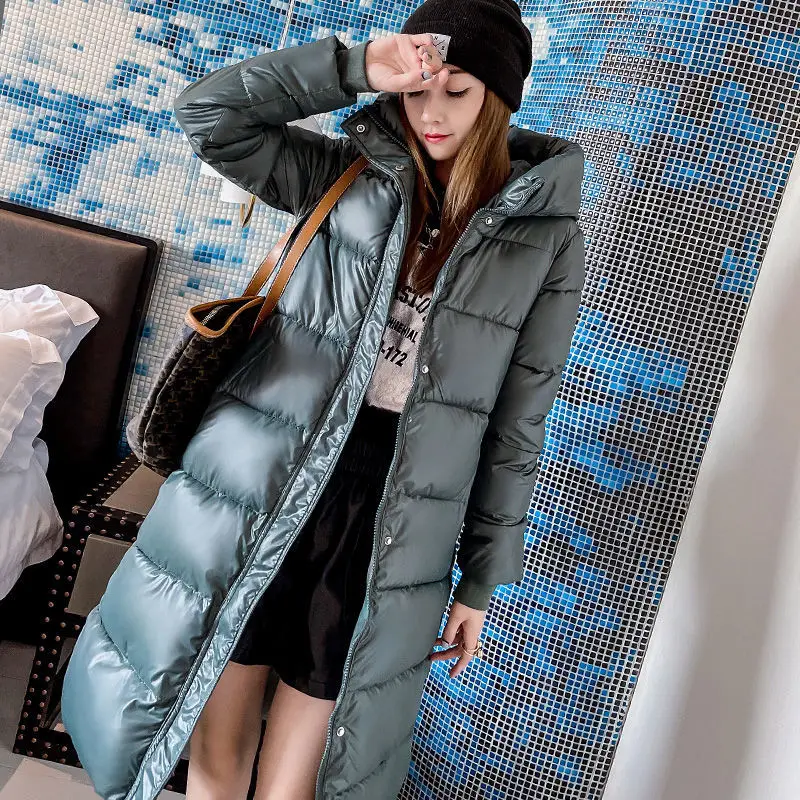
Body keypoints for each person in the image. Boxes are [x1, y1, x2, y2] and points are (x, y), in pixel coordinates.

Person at [60, 0, 585, 798]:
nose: (432, 112)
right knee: (217, 735)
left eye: (458, 91)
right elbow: (208, 113)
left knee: (300, 767)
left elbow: (519, 421)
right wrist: (356, 66)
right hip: (264, 473)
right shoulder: (344, 174)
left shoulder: (545, 235)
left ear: (499, 102)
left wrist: (480, 581)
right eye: (418, 90)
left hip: (391, 511)